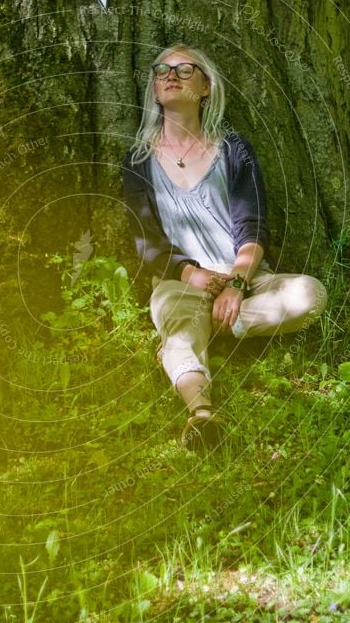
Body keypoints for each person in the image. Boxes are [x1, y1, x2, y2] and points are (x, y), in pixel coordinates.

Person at [121, 43, 328, 450]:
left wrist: (234, 283)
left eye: (184, 70)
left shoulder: (234, 150)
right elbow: (148, 242)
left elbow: (253, 227)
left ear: (206, 87)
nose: (170, 75)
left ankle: (202, 332)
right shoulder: (138, 159)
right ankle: (201, 414)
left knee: (310, 294)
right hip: (179, 282)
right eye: (162, 69)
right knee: (176, 311)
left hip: (245, 281)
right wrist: (193, 274)